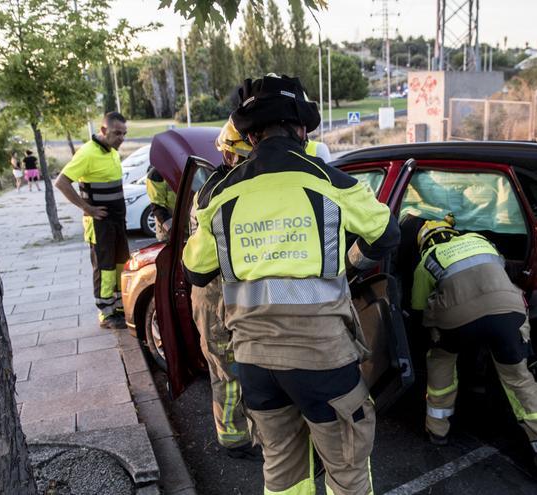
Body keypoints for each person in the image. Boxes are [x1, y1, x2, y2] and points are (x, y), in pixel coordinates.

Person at [183, 74, 399, 495]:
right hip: (323, 360)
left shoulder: (219, 194)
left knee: (283, 471)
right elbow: (387, 234)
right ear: (302, 129)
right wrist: (351, 265)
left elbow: (195, 270)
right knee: (347, 469)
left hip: (254, 363)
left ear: (250, 133)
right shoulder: (331, 182)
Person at [410, 214, 537, 486]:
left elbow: (418, 310)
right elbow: (500, 272)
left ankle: (437, 430)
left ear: (424, 240)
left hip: (457, 323)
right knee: (519, 380)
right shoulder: (480, 241)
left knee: (441, 359)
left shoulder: (427, 258)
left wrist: (432, 336)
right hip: (508, 314)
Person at [188, 118, 255, 458]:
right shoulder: (215, 193)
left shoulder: (229, 185)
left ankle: (249, 433)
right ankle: (234, 439)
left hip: (236, 291)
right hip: (215, 294)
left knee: (244, 366)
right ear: (230, 155)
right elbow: (199, 267)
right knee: (227, 369)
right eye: (246, 157)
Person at [54, 112, 129, 330]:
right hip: (100, 224)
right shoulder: (87, 153)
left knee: (120, 264)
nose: (121, 138)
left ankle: (119, 307)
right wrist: (86, 208)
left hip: (117, 221)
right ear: (103, 130)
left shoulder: (112, 152)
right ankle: (106, 314)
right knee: (104, 267)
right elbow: (62, 182)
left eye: (124, 134)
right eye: (117, 133)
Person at [145, 166, 176, 242]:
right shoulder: (155, 174)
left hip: (191, 229)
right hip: (169, 233)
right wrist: (172, 229)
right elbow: (157, 206)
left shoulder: (186, 167)